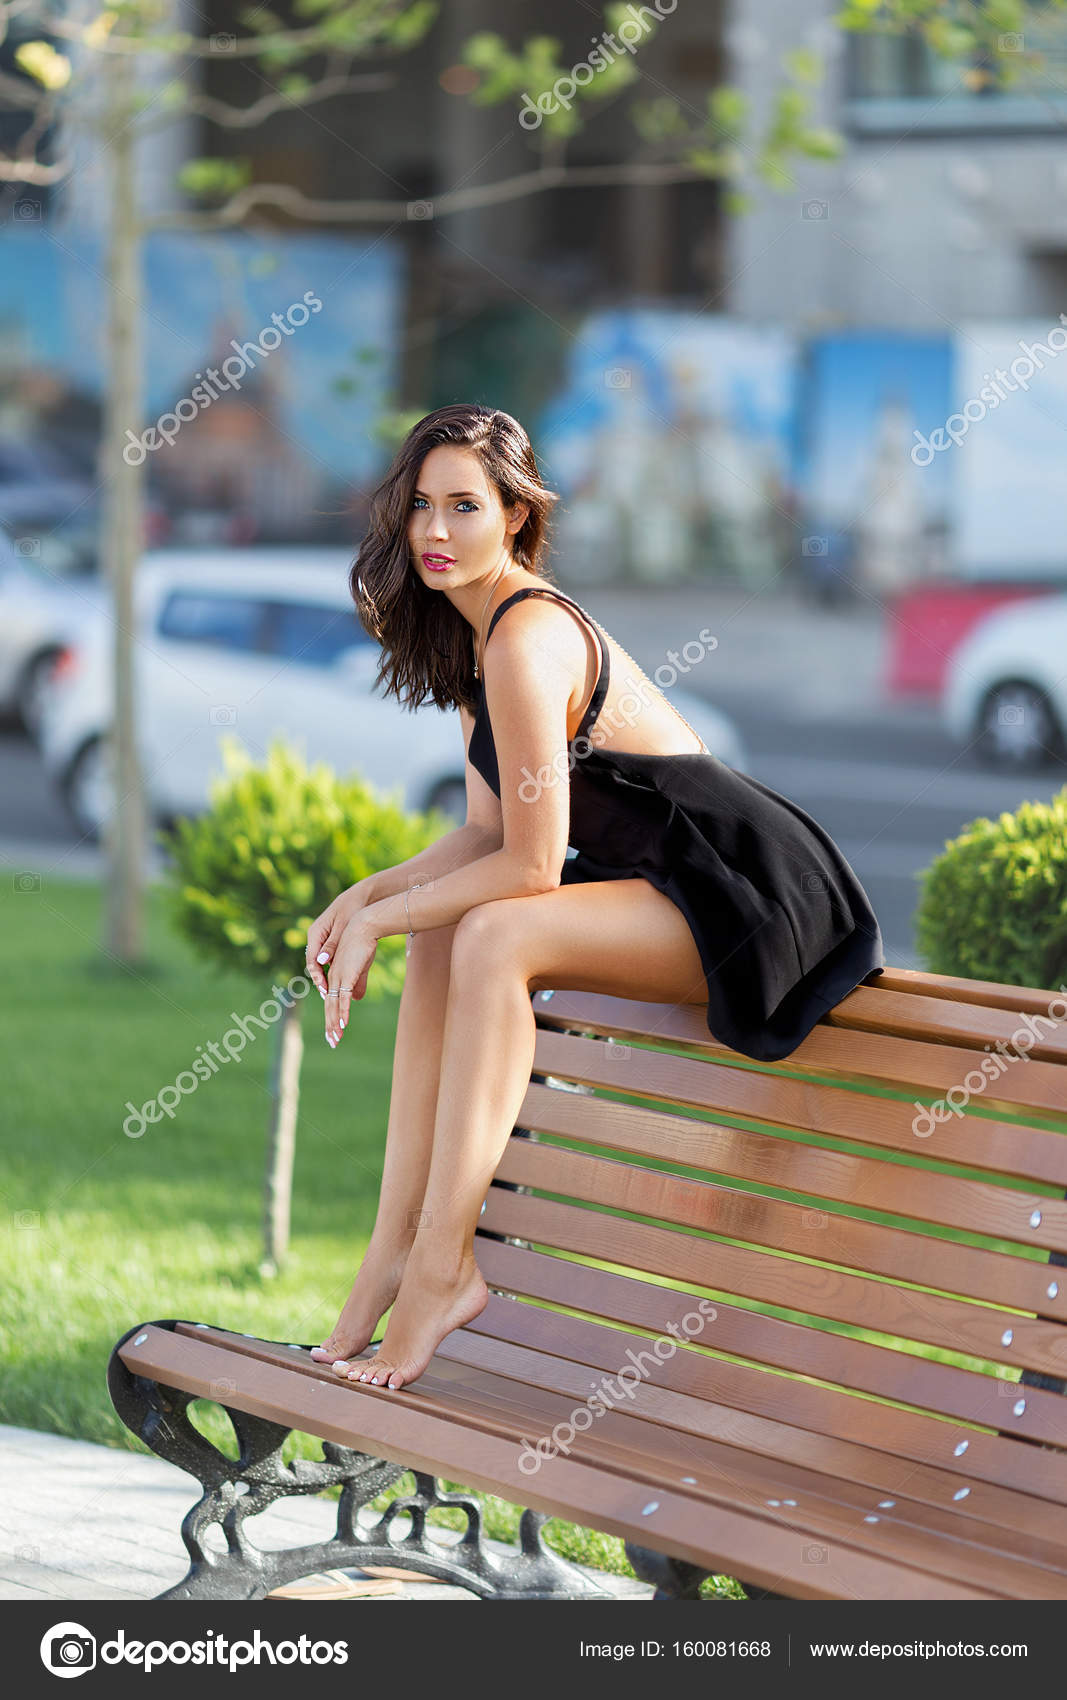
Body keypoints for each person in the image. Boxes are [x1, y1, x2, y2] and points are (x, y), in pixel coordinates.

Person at [304, 402, 885, 1392]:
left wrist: (378, 916)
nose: (435, 532)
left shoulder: (526, 638)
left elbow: (531, 868)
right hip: (657, 885)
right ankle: (391, 1256)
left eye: (464, 507)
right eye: (420, 508)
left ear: (516, 519)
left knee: (486, 931)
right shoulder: (474, 646)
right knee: (448, 931)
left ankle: (444, 1266)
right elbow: (487, 833)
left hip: (742, 892)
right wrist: (368, 895)